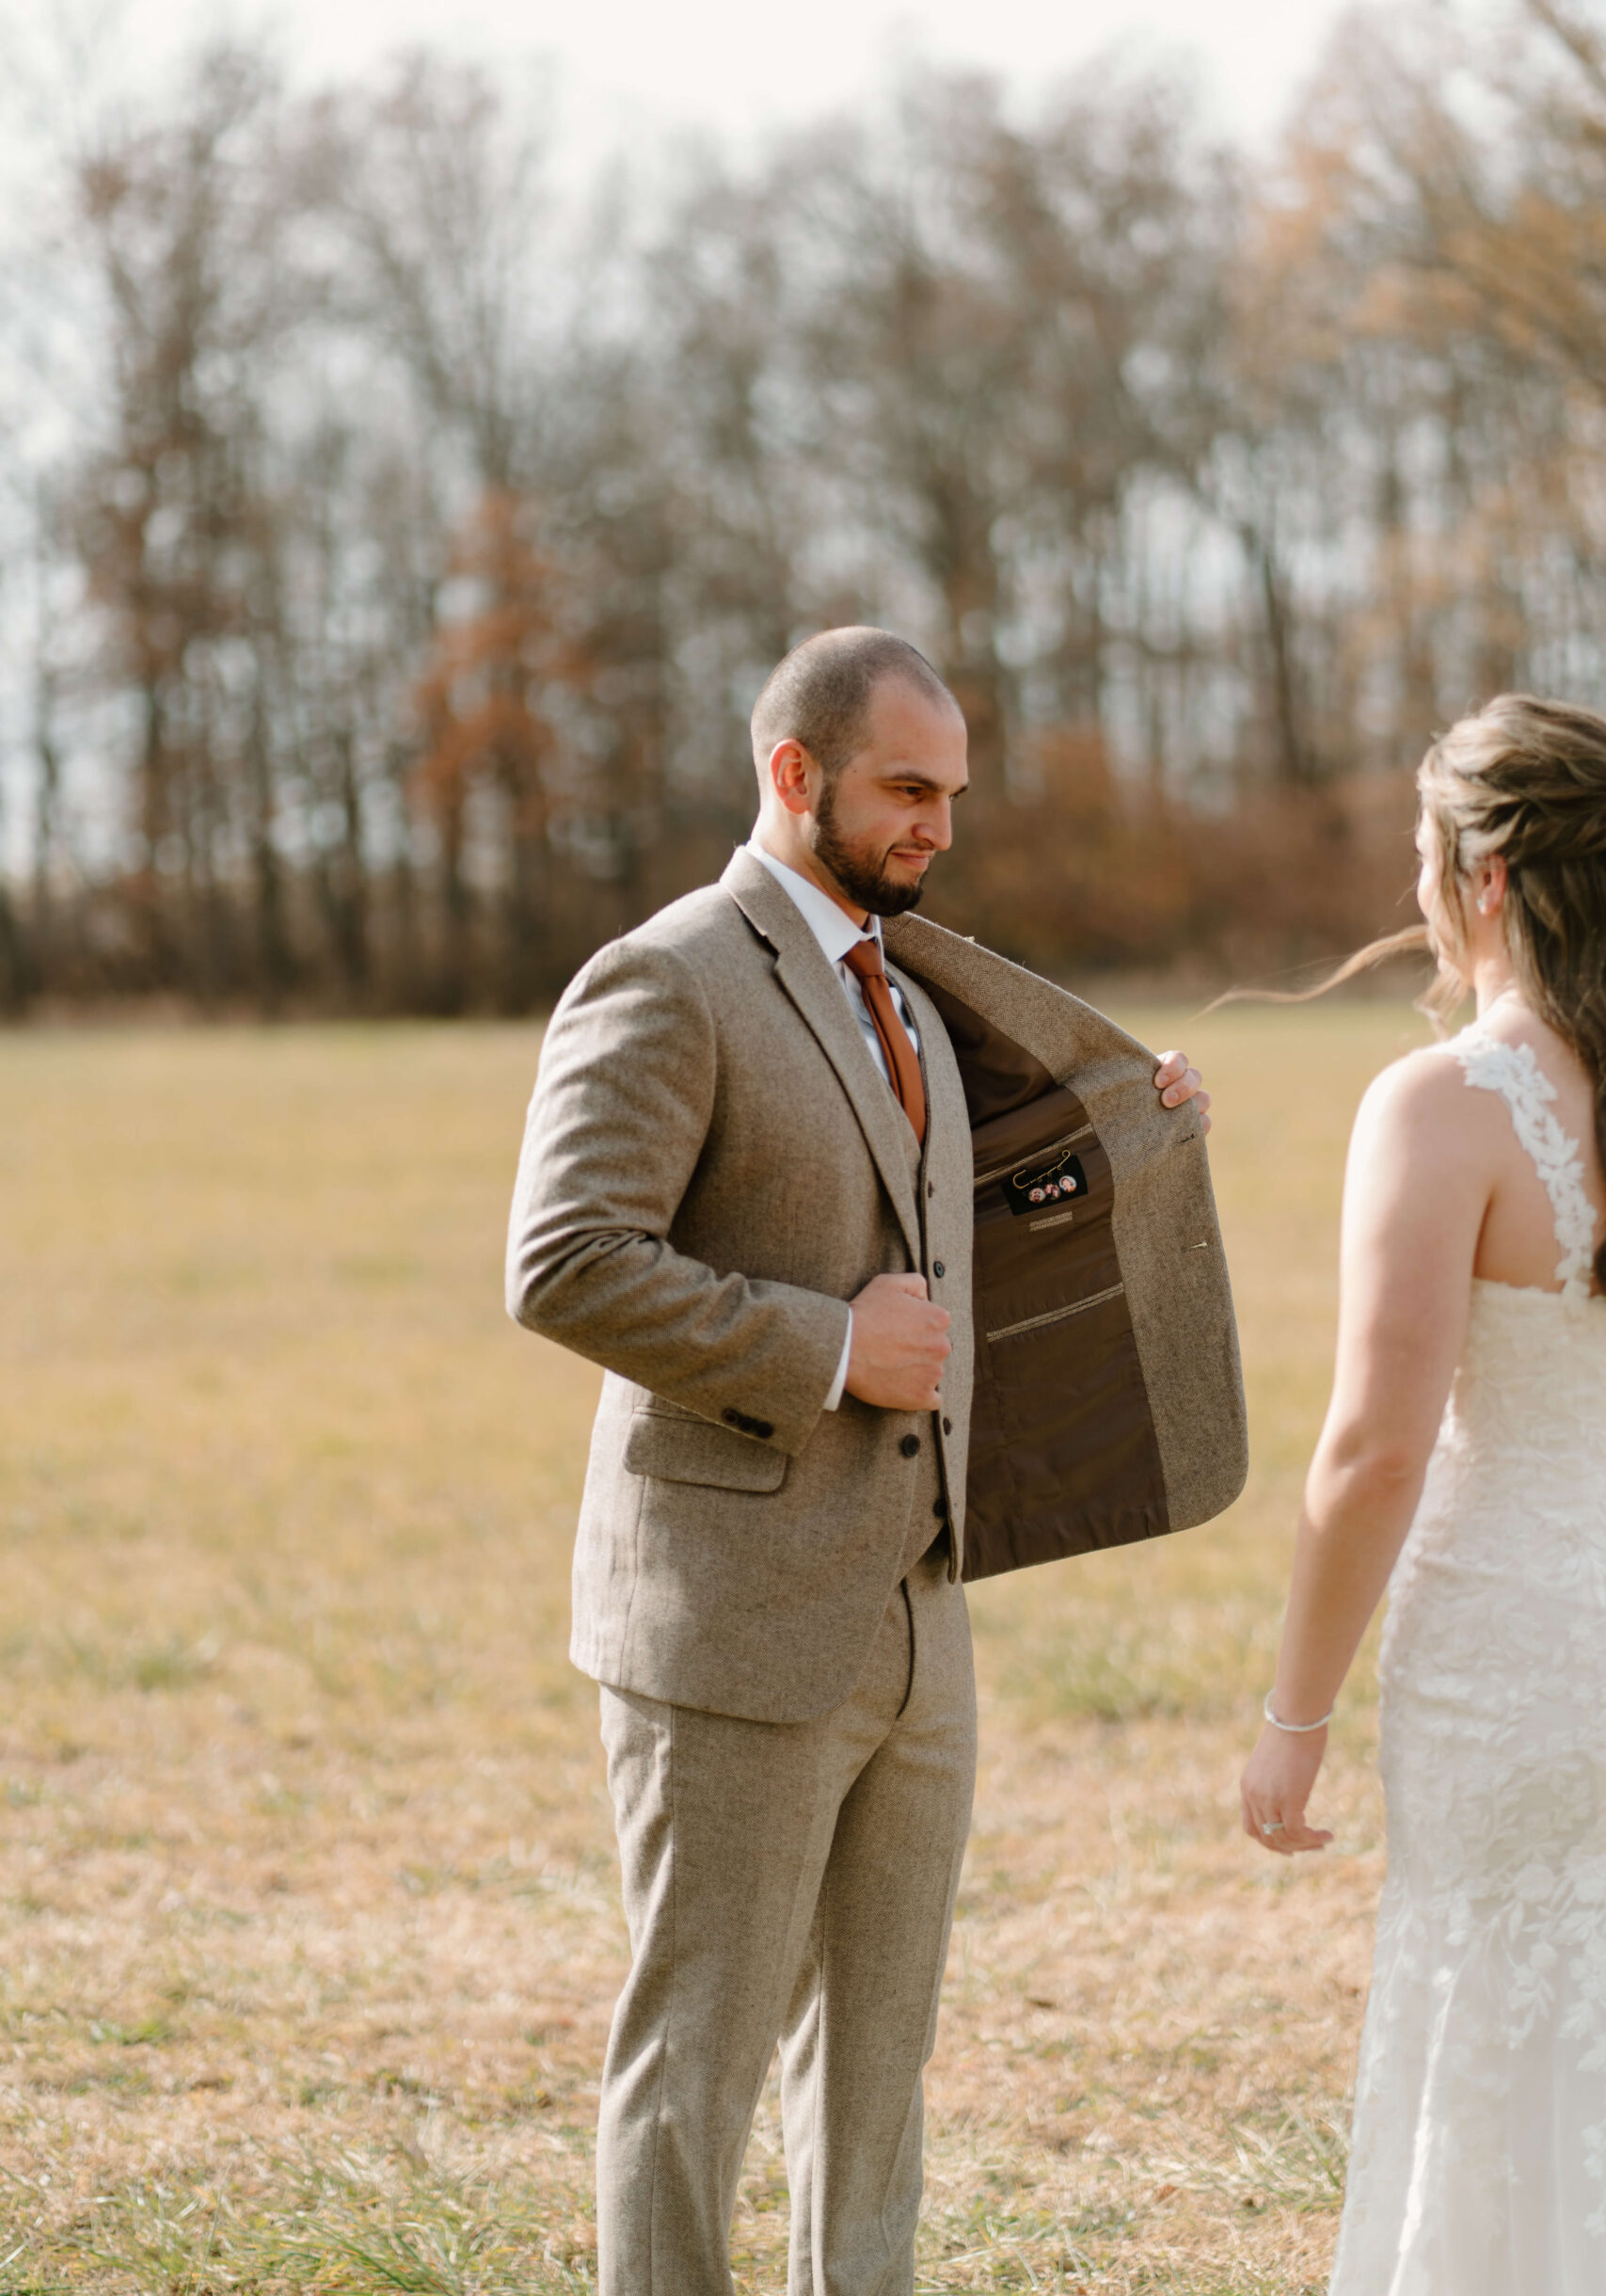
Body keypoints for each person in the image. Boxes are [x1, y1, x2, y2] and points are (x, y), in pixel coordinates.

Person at [507, 625, 1244, 2296]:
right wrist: (830, 1349)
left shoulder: (910, 988)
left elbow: (959, 1217)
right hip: (732, 1621)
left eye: (954, 794)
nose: (940, 828)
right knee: (695, 2067)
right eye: (908, 790)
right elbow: (562, 1259)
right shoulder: (668, 974)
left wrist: (1139, 1125)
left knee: (879, 2075)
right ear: (795, 775)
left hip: (921, 1618)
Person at [1239, 694, 1606, 2292]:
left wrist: (1292, 1712)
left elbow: (1376, 1447)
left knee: (1495, 2003)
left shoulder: (1448, 1104)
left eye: (1424, 860)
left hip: (1517, 1655)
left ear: (1490, 874)